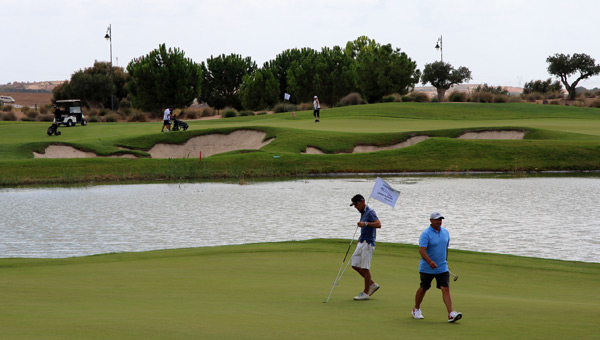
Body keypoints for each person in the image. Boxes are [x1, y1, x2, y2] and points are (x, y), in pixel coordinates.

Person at [412, 212, 462, 323]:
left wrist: (445, 261)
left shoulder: (445, 232)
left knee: (445, 288)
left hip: (442, 268)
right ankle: (416, 309)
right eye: (436, 220)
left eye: (440, 220)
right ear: (431, 220)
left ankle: (451, 314)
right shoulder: (426, 234)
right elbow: (422, 250)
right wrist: (430, 262)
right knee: (424, 287)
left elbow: (445, 248)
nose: (439, 222)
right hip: (427, 268)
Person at [350, 194, 382, 300]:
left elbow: (378, 224)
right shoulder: (363, 212)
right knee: (354, 264)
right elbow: (366, 227)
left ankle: (366, 293)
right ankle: (372, 284)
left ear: (362, 202)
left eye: (356, 204)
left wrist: (365, 223)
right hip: (362, 241)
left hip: (368, 243)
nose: (355, 207)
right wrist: (361, 236)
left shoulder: (370, 212)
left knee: (365, 267)